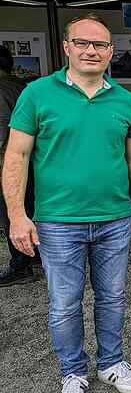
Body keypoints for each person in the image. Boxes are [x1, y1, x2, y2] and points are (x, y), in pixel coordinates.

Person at [3, 13, 131, 393]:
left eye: (100, 44)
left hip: (115, 219)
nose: (91, 51)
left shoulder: (124, 100)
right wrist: (17, 217)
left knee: (113, 297)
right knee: (65, 304)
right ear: (66, 47)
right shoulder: (37, 94)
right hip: (57, 221)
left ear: (111, 52)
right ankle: (72, 371)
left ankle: (111, 363)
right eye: (82, 42)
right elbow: (16, 157)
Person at [0, 44, 38, 287]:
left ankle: (20, 264)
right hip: (33, 163)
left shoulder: (1, 90)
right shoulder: (24, 88)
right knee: (30, 207)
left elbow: (2, 130)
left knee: (11, 212)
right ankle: (35, 255)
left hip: (8, 164)